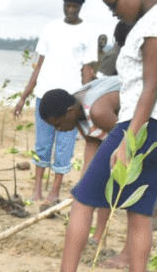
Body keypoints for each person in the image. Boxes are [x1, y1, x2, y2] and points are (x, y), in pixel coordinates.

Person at [29, 0, 157, 272]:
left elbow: (151, 86)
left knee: (83, 198)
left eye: (113, 3)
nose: (113, 13)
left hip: (150, 125)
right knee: (139, 210)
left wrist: (128, 140)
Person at [13, 0, 95, 205]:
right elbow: (38, 66)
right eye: (67, 5)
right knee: (42, 145)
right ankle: (37, 190)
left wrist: (86, 103)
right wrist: (23, 97)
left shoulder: (88, 32)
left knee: (65, 147)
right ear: (63, 4)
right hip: (45, 97)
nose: (71, 10)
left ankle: (55, 191)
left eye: (75, 6)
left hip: (71, 102)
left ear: (80, 6)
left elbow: (88, 70)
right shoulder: (50, 28)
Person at [39, 76, 121, 245]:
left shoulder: (97, 111)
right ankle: (94, 238)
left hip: (143, 115)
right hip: (114, 126)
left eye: (59, 124)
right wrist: (83, 183)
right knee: (96, 180)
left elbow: (127, 139)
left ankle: (99, 237)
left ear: (70, 112)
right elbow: (92, 144)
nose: (58, 130)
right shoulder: (77, 109)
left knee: (109, 180)